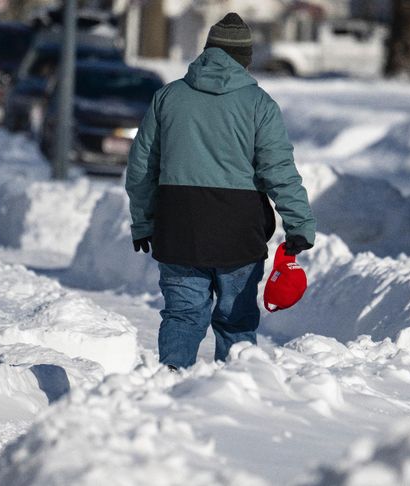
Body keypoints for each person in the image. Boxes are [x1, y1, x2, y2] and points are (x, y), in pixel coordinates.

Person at [125, 13, 316, 370]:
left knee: (182, 317)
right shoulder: (260, 105)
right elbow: (279, 172)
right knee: (236, 322)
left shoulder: (167, 97)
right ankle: (233, 399)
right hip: (239, 235)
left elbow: (141, 169)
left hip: (179, 230)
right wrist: (299, 224)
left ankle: (167, 392)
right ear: (245, 59)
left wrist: (143, 221)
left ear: (207, 53)